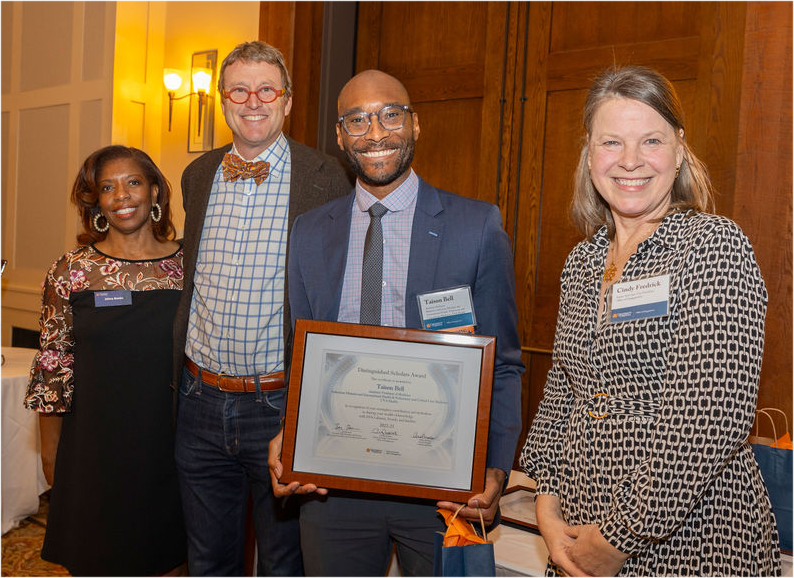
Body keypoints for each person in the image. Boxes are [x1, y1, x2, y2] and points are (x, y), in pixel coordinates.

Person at [520, 65, 781, 577]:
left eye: (651, 141)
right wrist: (546, 506)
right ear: (589, 154)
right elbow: (561, 395)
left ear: (679, 149)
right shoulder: (582, 262)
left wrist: (619, 537)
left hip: (692, 538)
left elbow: (712, 417)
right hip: (577, 530)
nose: (631, 161)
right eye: (611, 142)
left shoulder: (712, 247)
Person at [268, 69, 524, 576]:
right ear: (340, 136)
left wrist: (493, 468)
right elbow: (300, 356)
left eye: (390, 114)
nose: (376, 132)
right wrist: (289, 433)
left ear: (415, 124)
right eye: (357, 119)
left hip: (443, 487)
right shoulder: (309, 232)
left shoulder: (475, 227)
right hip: (332, 489)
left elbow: (507, 365)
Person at [171, 40, 351, 576]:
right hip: (199, 401)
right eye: (240, 90)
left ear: (288, 101)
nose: (253, 101)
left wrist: (307, 406)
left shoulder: (328, 179)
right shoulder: (197, 176)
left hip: (279, 405)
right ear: (223, 101)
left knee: (283, 563)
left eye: (266, 89)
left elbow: (335, 297)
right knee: (207, 561)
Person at [24, 145, 187, 576]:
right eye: (107, 188)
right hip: (93, 448)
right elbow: (53, 366)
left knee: (170, 559)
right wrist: (50, 454)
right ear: (95, 202)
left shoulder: (189, 266)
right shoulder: (71, 270)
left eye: (133, 182)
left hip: (171, 444)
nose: (122, 196)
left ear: (154, 191)